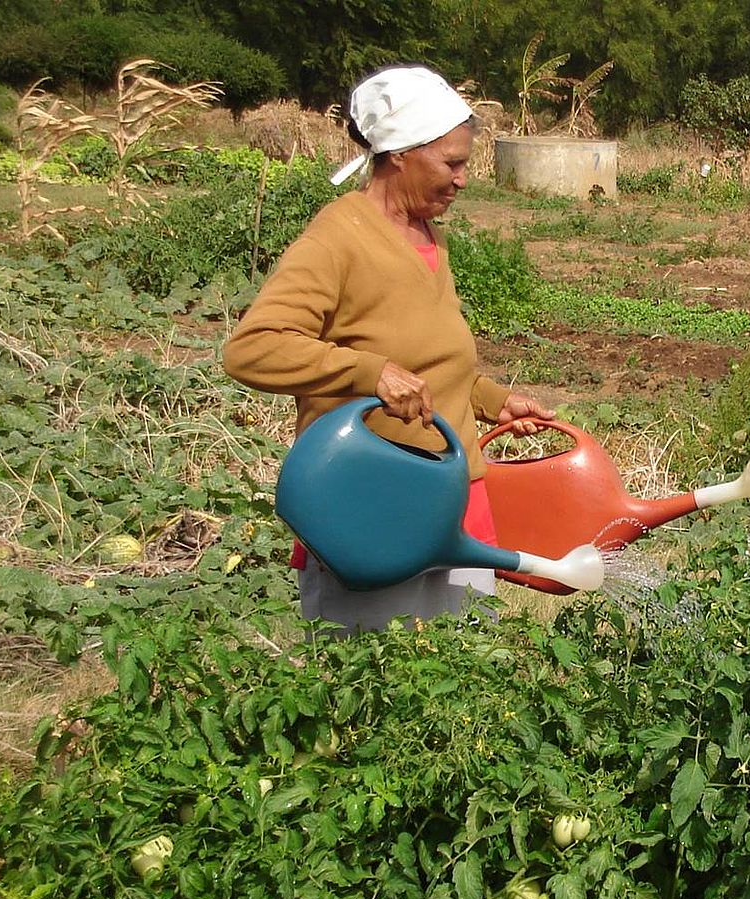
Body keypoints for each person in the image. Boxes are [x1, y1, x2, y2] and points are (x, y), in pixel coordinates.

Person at [223, 65, 553, 633]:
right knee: (370, 678)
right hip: (373, 500)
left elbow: (424, 362)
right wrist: (368, 373)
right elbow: (252, 348)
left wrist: (493, 400)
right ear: (399, 153)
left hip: (450, 495)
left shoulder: (430, 236)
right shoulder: (340, 237)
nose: (463, 180)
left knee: (464, 676)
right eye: (451, 163)